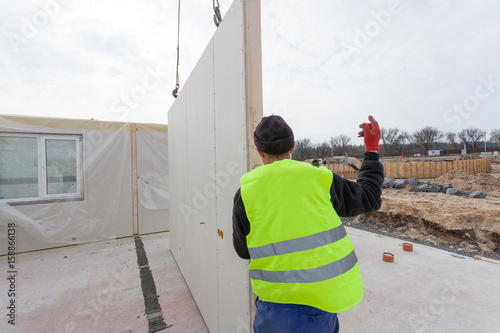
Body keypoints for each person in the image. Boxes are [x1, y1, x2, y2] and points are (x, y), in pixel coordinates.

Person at [232, 115, 384, 333]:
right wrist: (371, 148)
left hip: (274, 309)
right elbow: (369, 197)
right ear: (293, 146)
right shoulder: (320, 179)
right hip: (320, 306)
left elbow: (242, 251)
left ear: (259, 151)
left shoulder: (245, 193)